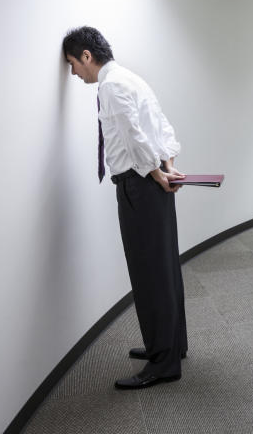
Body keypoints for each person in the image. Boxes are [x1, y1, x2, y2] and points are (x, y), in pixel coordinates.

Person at [62, 26, 188, 390]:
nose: (74, 73)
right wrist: (167, 164)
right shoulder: (133, 79)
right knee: (164, 268)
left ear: (87, 55)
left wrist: (155, 171)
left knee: (149, 274)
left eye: (73, 64)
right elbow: (162, 127)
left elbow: (134, 135)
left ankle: (162, 364)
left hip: (139, 186)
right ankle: (170, 346)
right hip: (155, 183)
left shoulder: (111, 86)